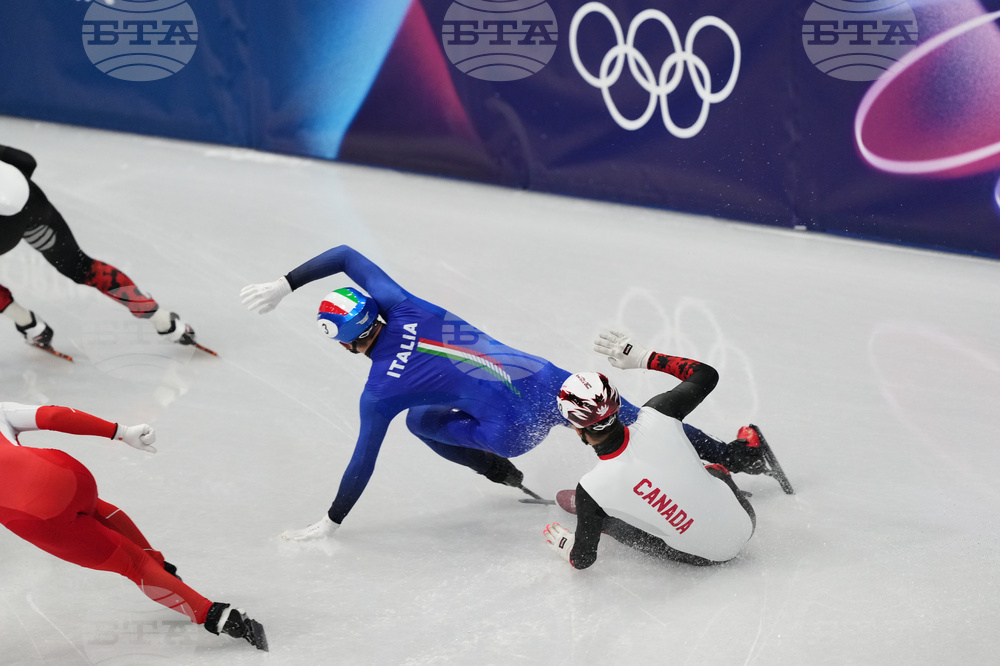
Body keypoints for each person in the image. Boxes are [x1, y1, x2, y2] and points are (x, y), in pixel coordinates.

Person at [239, 245, 653, 541]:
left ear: (345, 344)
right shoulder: (403, 305)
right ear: (373, 310)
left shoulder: (380, 391)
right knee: (634, 419)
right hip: (544, 380)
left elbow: (363, 459)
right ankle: (711, 452)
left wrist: (333, 519)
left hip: (511, 434)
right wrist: (286, 283)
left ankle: (495, 468)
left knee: (420, 419)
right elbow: (345, 255)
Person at [0, 401, 268, 651]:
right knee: (94, 510)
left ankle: (218, 617)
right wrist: (121, 431)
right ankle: (163, 569)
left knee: (135, 566)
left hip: (36, 515)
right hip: (68, 474)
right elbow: (53, 416)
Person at [542, 329, 790, 570]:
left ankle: (598, 519)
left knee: (611, 522)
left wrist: (568, 546)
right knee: (703, 464)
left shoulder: (590, 489)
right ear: (616, 404)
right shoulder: (659, 414)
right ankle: (740, 456)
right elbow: (706, 375)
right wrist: (645, 358)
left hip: (707, 557)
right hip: (746, 520)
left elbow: (583, 560)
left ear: (576, 428)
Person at [0, 144, 197, 353]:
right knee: (80, 266)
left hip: (9, 226)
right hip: (34, 206)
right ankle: (164, 321)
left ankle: (29, 323)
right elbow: (26, 160)